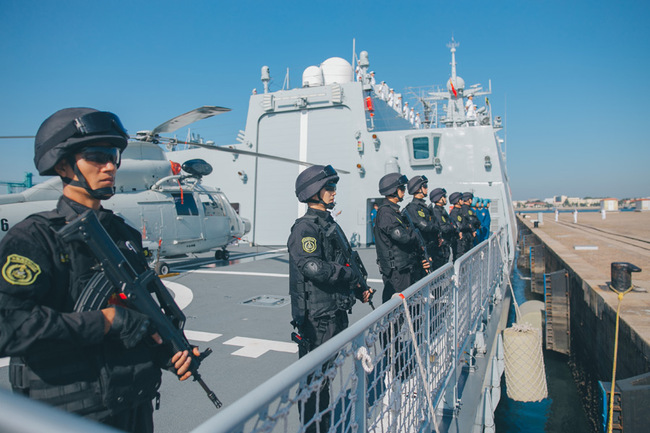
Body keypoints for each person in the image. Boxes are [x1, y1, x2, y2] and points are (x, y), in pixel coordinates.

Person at [0, 108, 199, 433]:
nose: (110, 166)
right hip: (67, 417)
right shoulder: (34, 238)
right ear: (62, 164)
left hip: (134, 406)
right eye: (96, 156)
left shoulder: (123, 235)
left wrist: (168, 350)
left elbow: (138, 314)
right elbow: (8, 327)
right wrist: (104, 321)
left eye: (113, 156)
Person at [288, 165, 370, 433]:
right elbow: (312, 267)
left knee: (325, 379)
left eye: (334, 187)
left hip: (333, 314)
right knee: (314, 382)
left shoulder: (329, 224)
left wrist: (359, 287)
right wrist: (347, 275)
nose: (334, 192)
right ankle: (313, 429)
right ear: (314, 192)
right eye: (329, 188)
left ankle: (323, 426)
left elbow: (343, 259)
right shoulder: (305, 228)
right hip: (317, 319)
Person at [374, 173, 429, 303]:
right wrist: (415, 233)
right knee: (396, 312)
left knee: (410, 308)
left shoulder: (395, 211)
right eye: (402, 189)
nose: (404, 192)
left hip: (405, 268)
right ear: (393, 190)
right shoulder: (386, 213)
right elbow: (403, 237)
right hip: (397, 274)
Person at [402, 175, 438, 279]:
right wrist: (436, 227)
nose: (427, 188)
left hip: (431, 248)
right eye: (425, 186)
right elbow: (426, 227)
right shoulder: (413, 208)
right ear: (418, 189)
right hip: (422, 251)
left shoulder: (424, 207)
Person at [429, 188, 457, 270]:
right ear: (439, 198)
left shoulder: (442, 211)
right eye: (444, 196)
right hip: (440, 248)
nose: (445, 198)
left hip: (446, 245)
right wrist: (453, 227)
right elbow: (444, 228)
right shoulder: (437, 212)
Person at [448, 191, 473, 260]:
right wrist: (468, 226)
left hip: (466, 240)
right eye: (461, 199)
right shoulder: (454, 213)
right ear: (457, 200)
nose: (463, 201)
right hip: (460, 242)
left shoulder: (461, 211)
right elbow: (459, 226)